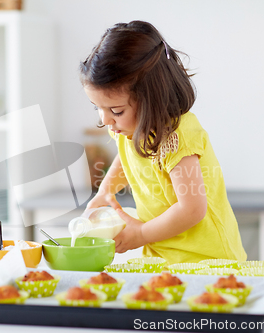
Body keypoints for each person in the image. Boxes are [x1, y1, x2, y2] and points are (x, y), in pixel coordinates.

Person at [80, 21, 247, 264]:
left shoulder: (177, 136)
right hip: (162, 258)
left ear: (150, 99)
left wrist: (141, 233)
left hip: (208, 262)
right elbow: (127, 157)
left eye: (115, 110)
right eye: (97, 107)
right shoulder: (128, 127)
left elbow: (192, 209)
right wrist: (105, 192)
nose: (105, 119)